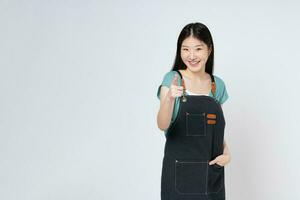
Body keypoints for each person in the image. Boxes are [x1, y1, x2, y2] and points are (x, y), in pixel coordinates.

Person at [156, 22, 231, 200]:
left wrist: (227, 153)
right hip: (179, 176)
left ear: (209, 50)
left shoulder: (216, 85)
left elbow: (215, 129)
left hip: (210, 173)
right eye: (185, 49)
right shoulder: (173, 79)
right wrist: (169, 99)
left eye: (198, 49)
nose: (191, 56)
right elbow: (162, 124)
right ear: (179, 51)